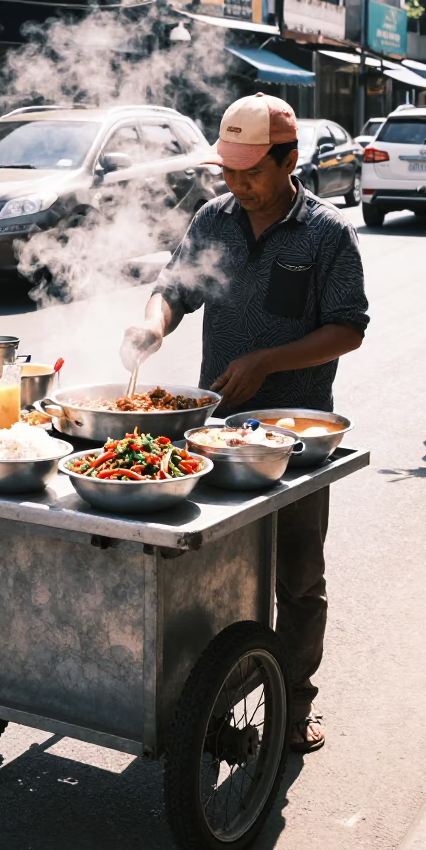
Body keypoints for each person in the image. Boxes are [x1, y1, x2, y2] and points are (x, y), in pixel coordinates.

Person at [121, 93, 369, 753]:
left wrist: (268, 361)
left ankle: (292, 708)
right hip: (217, 436)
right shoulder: (213, 219)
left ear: (289, 160)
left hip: (296, 444)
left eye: (251, 171)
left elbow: (348, 328)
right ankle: (215, 705)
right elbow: (174, 289)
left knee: (297, 578)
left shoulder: (327, 232)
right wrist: (153, 324)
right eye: (228, 171)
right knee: (213, 576)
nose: (238, 184)